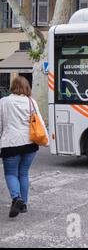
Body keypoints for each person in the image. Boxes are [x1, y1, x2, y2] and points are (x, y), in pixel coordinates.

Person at [0, 76, 48, 218]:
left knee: (10, 173)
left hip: (11, 143)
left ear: (12, 86)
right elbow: (39, 120)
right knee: (23, 173)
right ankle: (24, 204)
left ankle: (16, 198)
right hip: (30, 143)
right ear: (27, 87)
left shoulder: (4, 102)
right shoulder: (31, 101)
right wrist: (45, 140)